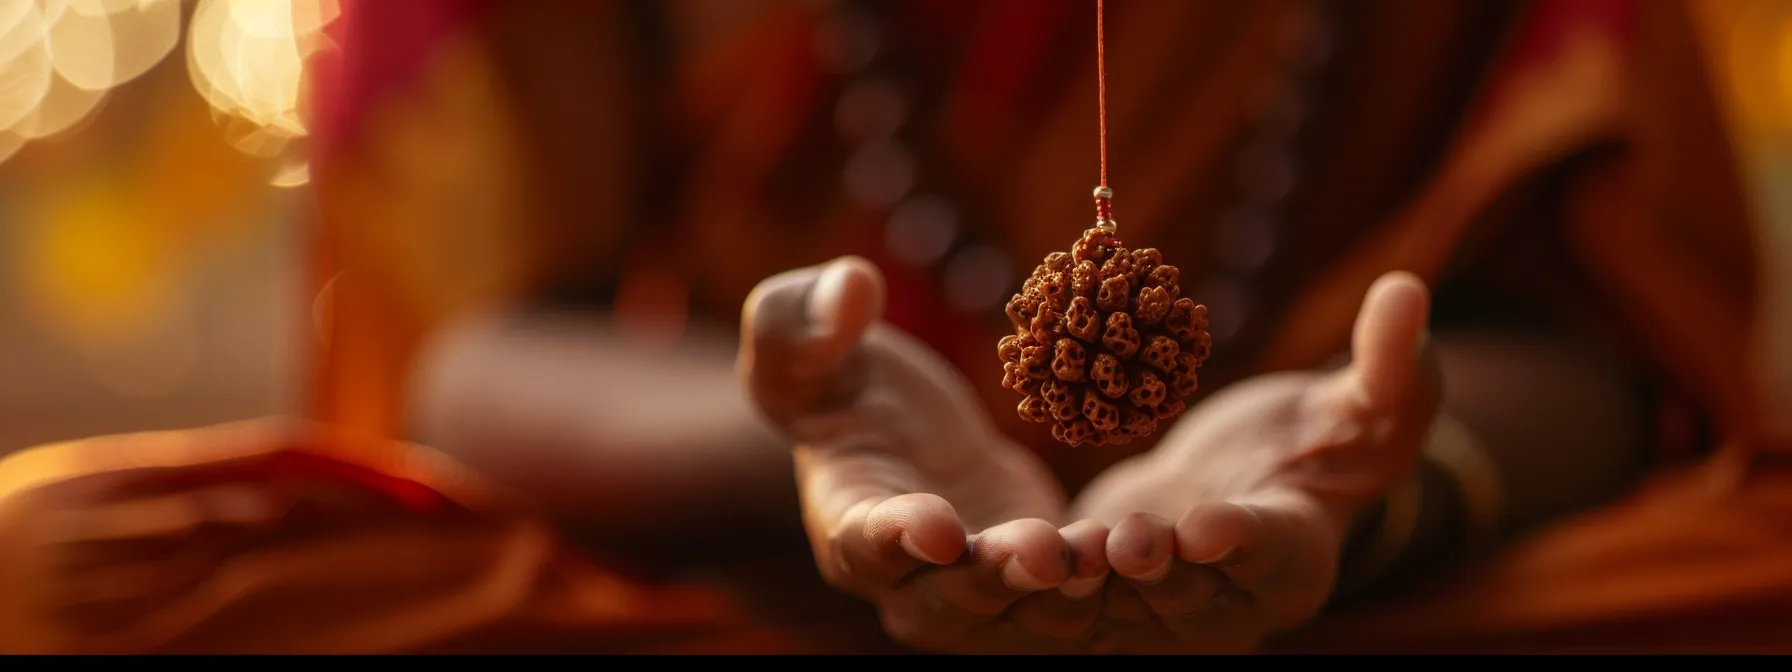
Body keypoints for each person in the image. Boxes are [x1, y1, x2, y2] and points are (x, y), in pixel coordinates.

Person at [0, 0, 1785, 654]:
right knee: (68, 573)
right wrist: (797, 430)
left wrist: (1361, 486)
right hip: (764, 583)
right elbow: (471, 354)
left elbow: (1596, 345)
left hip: (1348, 589)